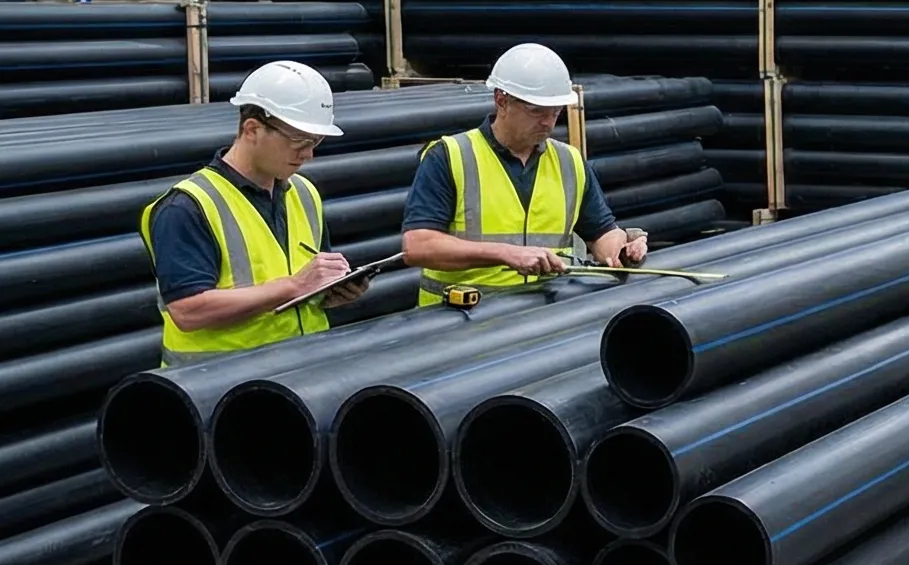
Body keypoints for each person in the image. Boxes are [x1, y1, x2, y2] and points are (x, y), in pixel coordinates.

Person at [140, 61, 366, 364]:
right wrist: (294, 286)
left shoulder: (303, 193)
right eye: (299, 141)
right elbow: (187, 311)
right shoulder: (187, 206)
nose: (309, 154)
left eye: (316, 142)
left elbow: (302, 287)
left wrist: (330, 291)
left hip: (303, 375)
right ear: (252, 129)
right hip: (219, 390)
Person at [401, 42, 643, 305]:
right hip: (461, 319)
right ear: (501, 101)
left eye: (556, 112)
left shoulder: (569, 161)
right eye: (536, 110)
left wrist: (620, 248)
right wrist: (506, 253)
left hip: (539, 317)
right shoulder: (449, 156)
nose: (548, 122)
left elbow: (602, 233)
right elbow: (418, 246)